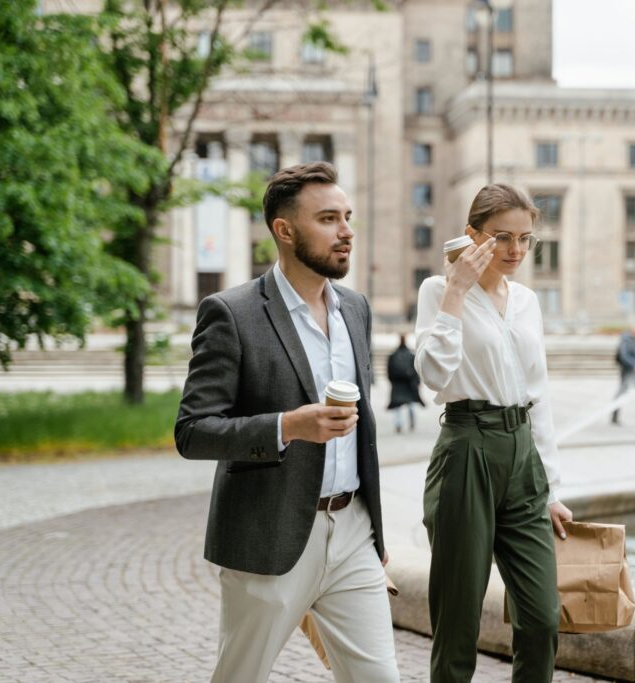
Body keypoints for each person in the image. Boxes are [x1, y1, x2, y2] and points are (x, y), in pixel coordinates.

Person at [174, 162, 399, 683]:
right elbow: (193, 431)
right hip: (268, 534)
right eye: (328, 219)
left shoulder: (356, 309)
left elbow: (362, 436)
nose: (346, 231)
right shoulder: (231, 313)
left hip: (352, 533)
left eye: (347, 217)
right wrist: (288, 427)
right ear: (285, 230)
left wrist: (376, 535)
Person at [414, 183, 572, 683]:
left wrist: (550, 488)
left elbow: (538, 394)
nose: (516, 251)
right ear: (471, 235)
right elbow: (433, 375)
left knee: (543, 617)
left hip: (521, 451)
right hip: (467, 447)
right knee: (458, 619)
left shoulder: (526, 300)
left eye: (526, 239)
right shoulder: (438, 292)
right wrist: (457, 291)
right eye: (502, 237)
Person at [387, 333, 424, 433]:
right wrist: (417, 382)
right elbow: (416, 370)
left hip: (397, 384)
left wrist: (392, 381)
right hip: (409, 383)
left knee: (397, 406)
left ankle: (398, 425)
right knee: (411, 405)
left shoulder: (393, 355)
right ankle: (412, 423)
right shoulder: (411, 355)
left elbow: (389, 371)